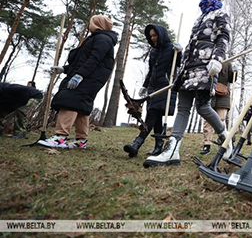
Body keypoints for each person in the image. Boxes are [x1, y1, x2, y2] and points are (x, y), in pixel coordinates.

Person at [143, 0, 233, 167]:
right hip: (189, 67)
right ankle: (172, 150)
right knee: (182, 108)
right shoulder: (199, 18)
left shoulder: (220, 15)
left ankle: (226, 138)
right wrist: (183, 54)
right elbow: (195, 43)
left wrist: (217, 58)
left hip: (206, 66)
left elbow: (224, 37)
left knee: (203, 107)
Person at [38, 15, 117, 149]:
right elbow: (81, 62)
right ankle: (81, 140)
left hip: (90, 77)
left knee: (70, 100)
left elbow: (94, 59)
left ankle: (60, 136)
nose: (89, 25)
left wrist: (80, 75)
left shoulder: (103, 39)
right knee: (81, 106)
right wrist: (64, 69)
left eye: (91, 22)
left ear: (98, 24)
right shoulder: (95, 38)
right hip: (87, 76)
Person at [123, 24, 181, 158]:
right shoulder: (153, 51)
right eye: (151, 36)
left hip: (166, 86)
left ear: (161, 34)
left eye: (155, 35)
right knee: (156, 117)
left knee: (152, 114)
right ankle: (158, 146)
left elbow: (178, 64)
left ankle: (137, 144)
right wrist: (145, 85)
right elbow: (151, 70)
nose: (153, 38)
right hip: (153, 87)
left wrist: (179, 52)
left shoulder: (171, 48)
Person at [200, 62, 235, 155]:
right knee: (208, 121)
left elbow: (231, 79)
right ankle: (207, 144)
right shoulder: (210, 61)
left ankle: (225, 144)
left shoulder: (228, 63)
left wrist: (234, 72)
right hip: (210, 95)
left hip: (223, 96)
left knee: (221, 120)